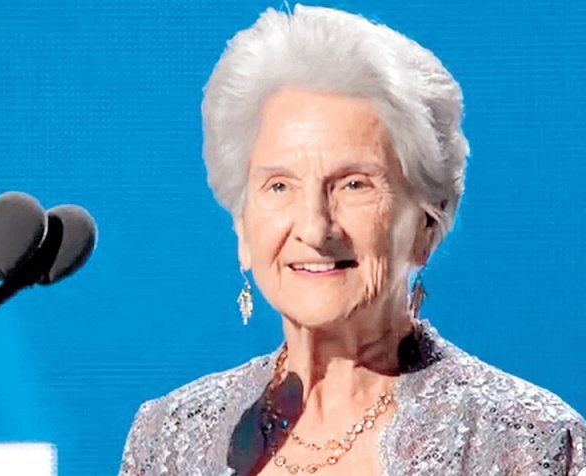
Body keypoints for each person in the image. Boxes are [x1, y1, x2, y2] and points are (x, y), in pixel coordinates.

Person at [119, 4, 586, 475]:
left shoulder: (528, 445)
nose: (314, 228)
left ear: (428, 223)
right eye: (279, 186)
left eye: (354, 184)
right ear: (242, 227)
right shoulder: (168, 438)